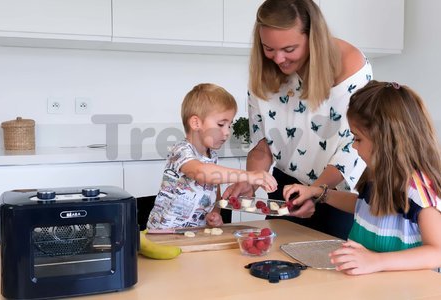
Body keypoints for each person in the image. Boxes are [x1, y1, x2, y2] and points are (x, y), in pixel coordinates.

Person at [222, 0, 373, 239]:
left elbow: (352, 147)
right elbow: (262, 144)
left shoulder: (349, 65)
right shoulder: (264, 71)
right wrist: (250, 179)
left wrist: (314, 191)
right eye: (269, 48)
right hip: (288, 189)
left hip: (337, 193)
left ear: (313, 37)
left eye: (289, 49)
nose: (278, 59)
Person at [283, 80, 441, 275]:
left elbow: (437, 252)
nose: (354, 146)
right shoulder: (377, 174)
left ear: (385, 139)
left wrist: (376, 261)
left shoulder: (419, 190)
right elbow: (364, 206)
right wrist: (319, 192)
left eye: (358, 138)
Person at [147, 83, 277, 229]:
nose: (227, 132)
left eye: (229, 125)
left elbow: (215, 190)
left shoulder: (211, 155)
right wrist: (248, 175)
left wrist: (215, 213)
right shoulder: (181, 150)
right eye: (221, 124)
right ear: (196, 123)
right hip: (164, 234)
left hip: (195, 233)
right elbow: (201, 172)